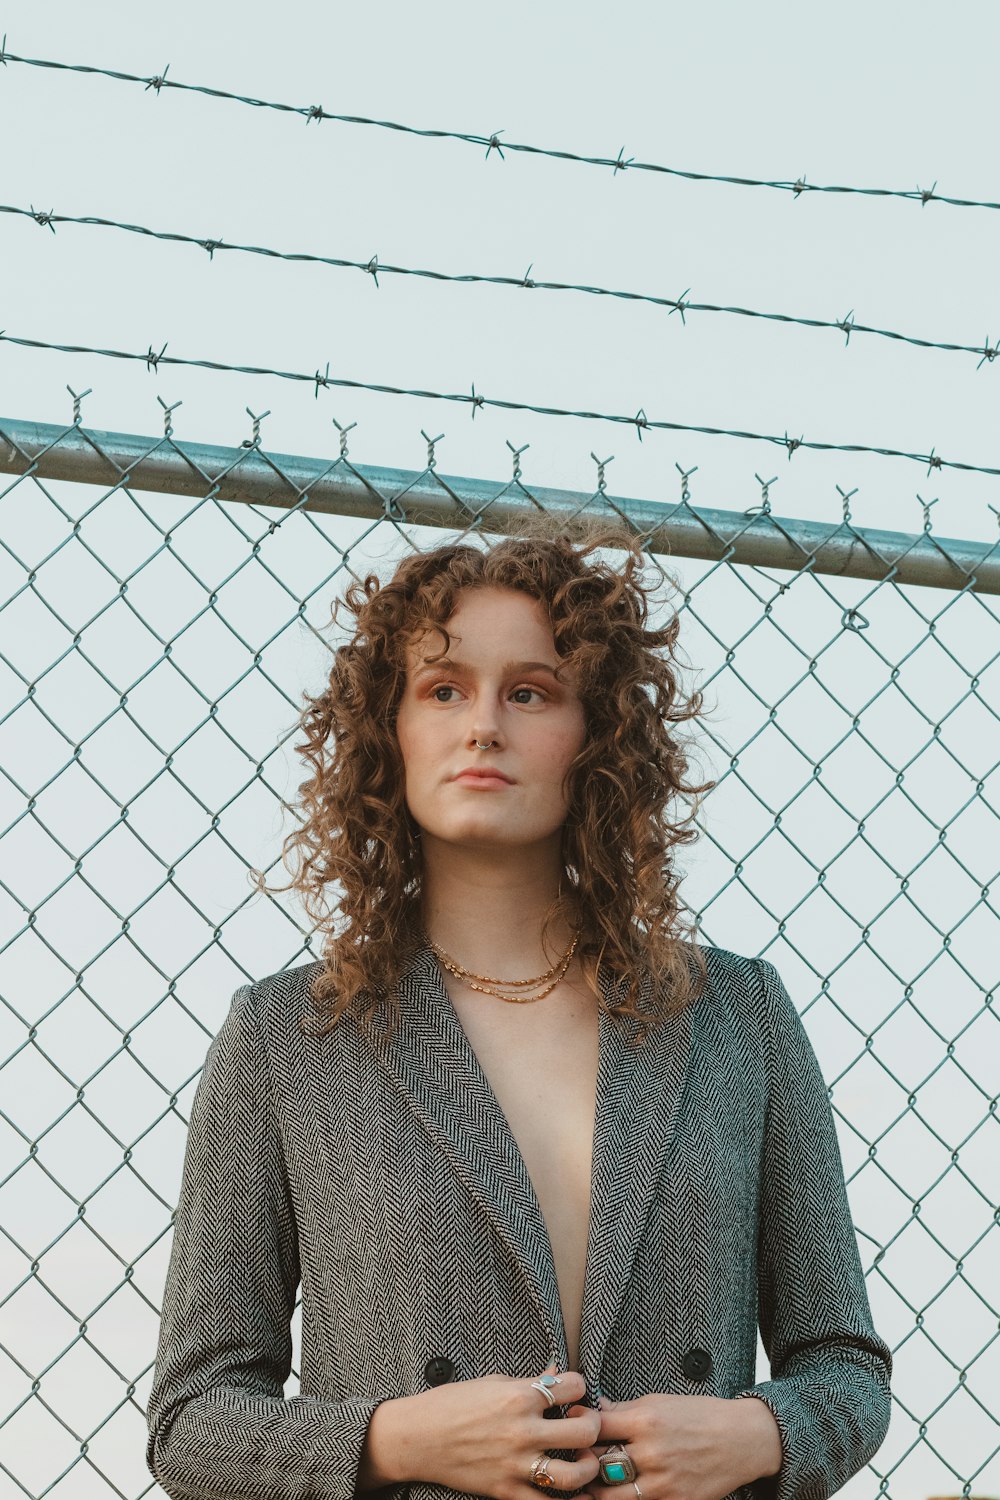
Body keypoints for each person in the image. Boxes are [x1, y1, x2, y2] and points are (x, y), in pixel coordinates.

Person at [145, 525, 892, 1500]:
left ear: (600, 735)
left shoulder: (735, 1014)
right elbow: (191, 1415)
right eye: (443, 688)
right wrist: (394, 1442)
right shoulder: (287, 1037)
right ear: (390, 730)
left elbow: (844, 1363)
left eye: (530, 692)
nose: (483, 724)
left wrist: (757, 1435)